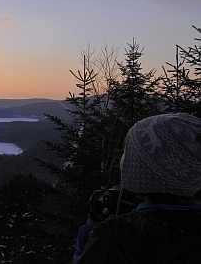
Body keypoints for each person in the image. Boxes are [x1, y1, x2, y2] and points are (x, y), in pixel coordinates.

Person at [75, 113, 201, 263]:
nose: (121, 159)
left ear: (143, 169)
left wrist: (94, 226)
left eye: (126, 152)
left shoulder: (115, 237)